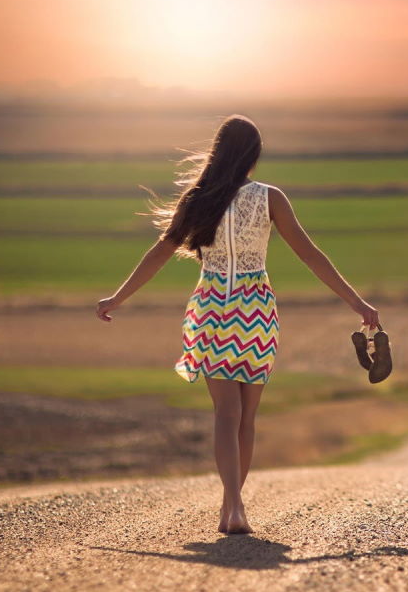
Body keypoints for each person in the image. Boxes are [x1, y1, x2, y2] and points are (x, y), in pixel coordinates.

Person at [96, 114, 380, 534]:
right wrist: (357, 302)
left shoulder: (198, 198)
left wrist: (118, 297)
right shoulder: (270, 197)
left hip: (212, 309)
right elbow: (310, 254)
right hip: (256, 312)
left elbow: (160, 252)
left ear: (217, 151)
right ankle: (234, 507)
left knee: (225, 415)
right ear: (253, 156)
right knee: (246, 417)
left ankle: (233, 505)